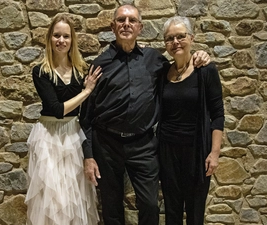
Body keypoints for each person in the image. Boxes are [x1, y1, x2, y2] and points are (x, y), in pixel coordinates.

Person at [79, 4, 211, 225]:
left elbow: (180, 68)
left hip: (144, 145)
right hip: (106, 145)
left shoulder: (155, 60)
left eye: (132, 21)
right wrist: (89, 155)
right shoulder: (100, 64)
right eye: (121, 20)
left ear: (140, 27)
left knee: (150, 204)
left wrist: (200, 55)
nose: (126, 24)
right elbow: (86, 116)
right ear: (113, 26)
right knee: (111, 207)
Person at [25, 15, 102, 225]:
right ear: (49, 38)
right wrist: (87, 91)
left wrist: (86, 89)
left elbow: (84, 113)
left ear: (72, 40)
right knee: (51, 197)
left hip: (72, 136)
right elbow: (56, 109)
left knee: (74, 196)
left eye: (66, 36)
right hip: (48, 136)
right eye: (56, 35)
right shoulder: (41, 71)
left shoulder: (80, 70)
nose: (61, 40)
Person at [157, 16, 225, 225]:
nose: (175, 42)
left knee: (195, 212)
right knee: (172, 210)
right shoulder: (162, 73)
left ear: (191, 38)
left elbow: (218, 114)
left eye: (180, 36)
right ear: (165, 44)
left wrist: (214, 154)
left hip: (197, 152)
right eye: (170, 38)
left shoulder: (205, 71)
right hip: (167, 152)